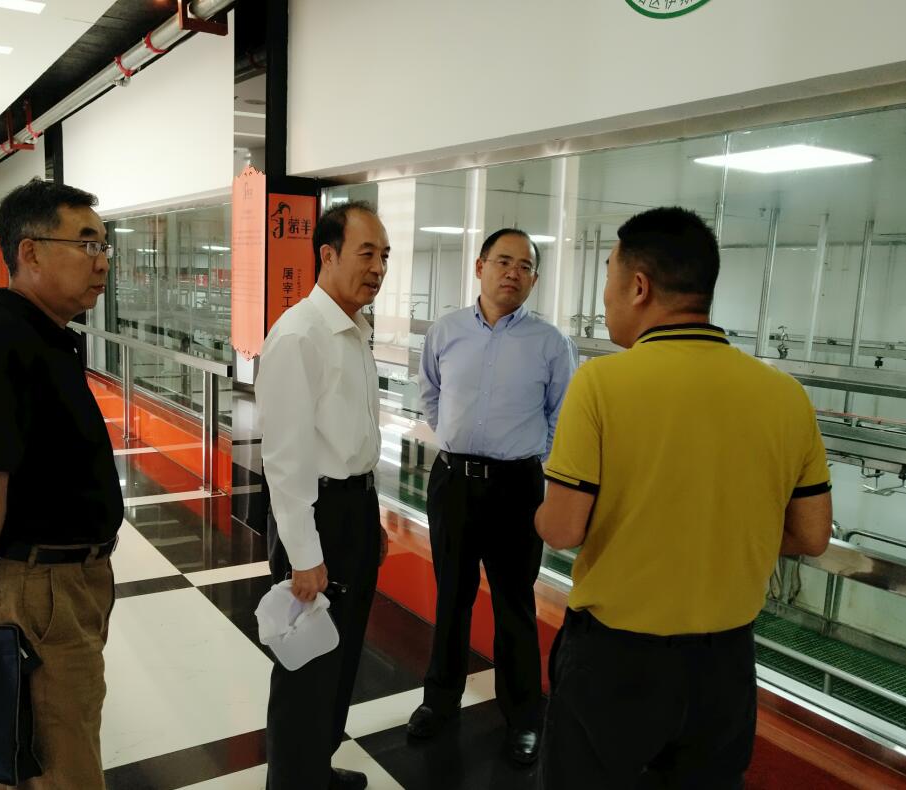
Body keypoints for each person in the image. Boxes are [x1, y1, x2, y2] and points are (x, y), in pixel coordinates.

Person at [535, 207, 832, 788]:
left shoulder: (600, 383)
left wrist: (539, 507)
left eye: (609, 278)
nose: (605, 298)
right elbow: (812, 534)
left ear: (639, 286)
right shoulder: (785, 396)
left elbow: (563, 528)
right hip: (725, 665)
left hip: (616, 662)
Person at [0, 177, 123, 789]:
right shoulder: (0, 345)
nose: (102, 261)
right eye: (86, 243)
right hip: (39, 594)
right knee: (62, 765)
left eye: (103, 245)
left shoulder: (42, 338)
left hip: (55, 583)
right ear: (30, 252)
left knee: (32, 757)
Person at [408, 229, 577, 763]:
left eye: (525, 266)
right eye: (503, 261)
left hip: (516, 489)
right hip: (453, 482)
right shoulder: (447, 330)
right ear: (480, 266)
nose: (513, 273)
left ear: (534, 279)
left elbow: (561, 416)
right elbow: (430, 392)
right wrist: (456, 442)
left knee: (515, 604)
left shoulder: (551, 344)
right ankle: (439, 701)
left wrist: (523, 458)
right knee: (451, 597)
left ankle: (523, 718)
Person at [256, 200, 391, 790]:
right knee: (306, 666)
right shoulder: (298, 334)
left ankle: (317, 768)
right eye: (367, 253)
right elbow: (285, 462)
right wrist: (305, 555)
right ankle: (293, 781)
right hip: (318, 515)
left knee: (343, 653)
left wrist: (371, 515)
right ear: (328, 255)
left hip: (354, 508)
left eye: (384, 256)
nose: (378, 268)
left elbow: (354, 439)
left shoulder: (355, 332)